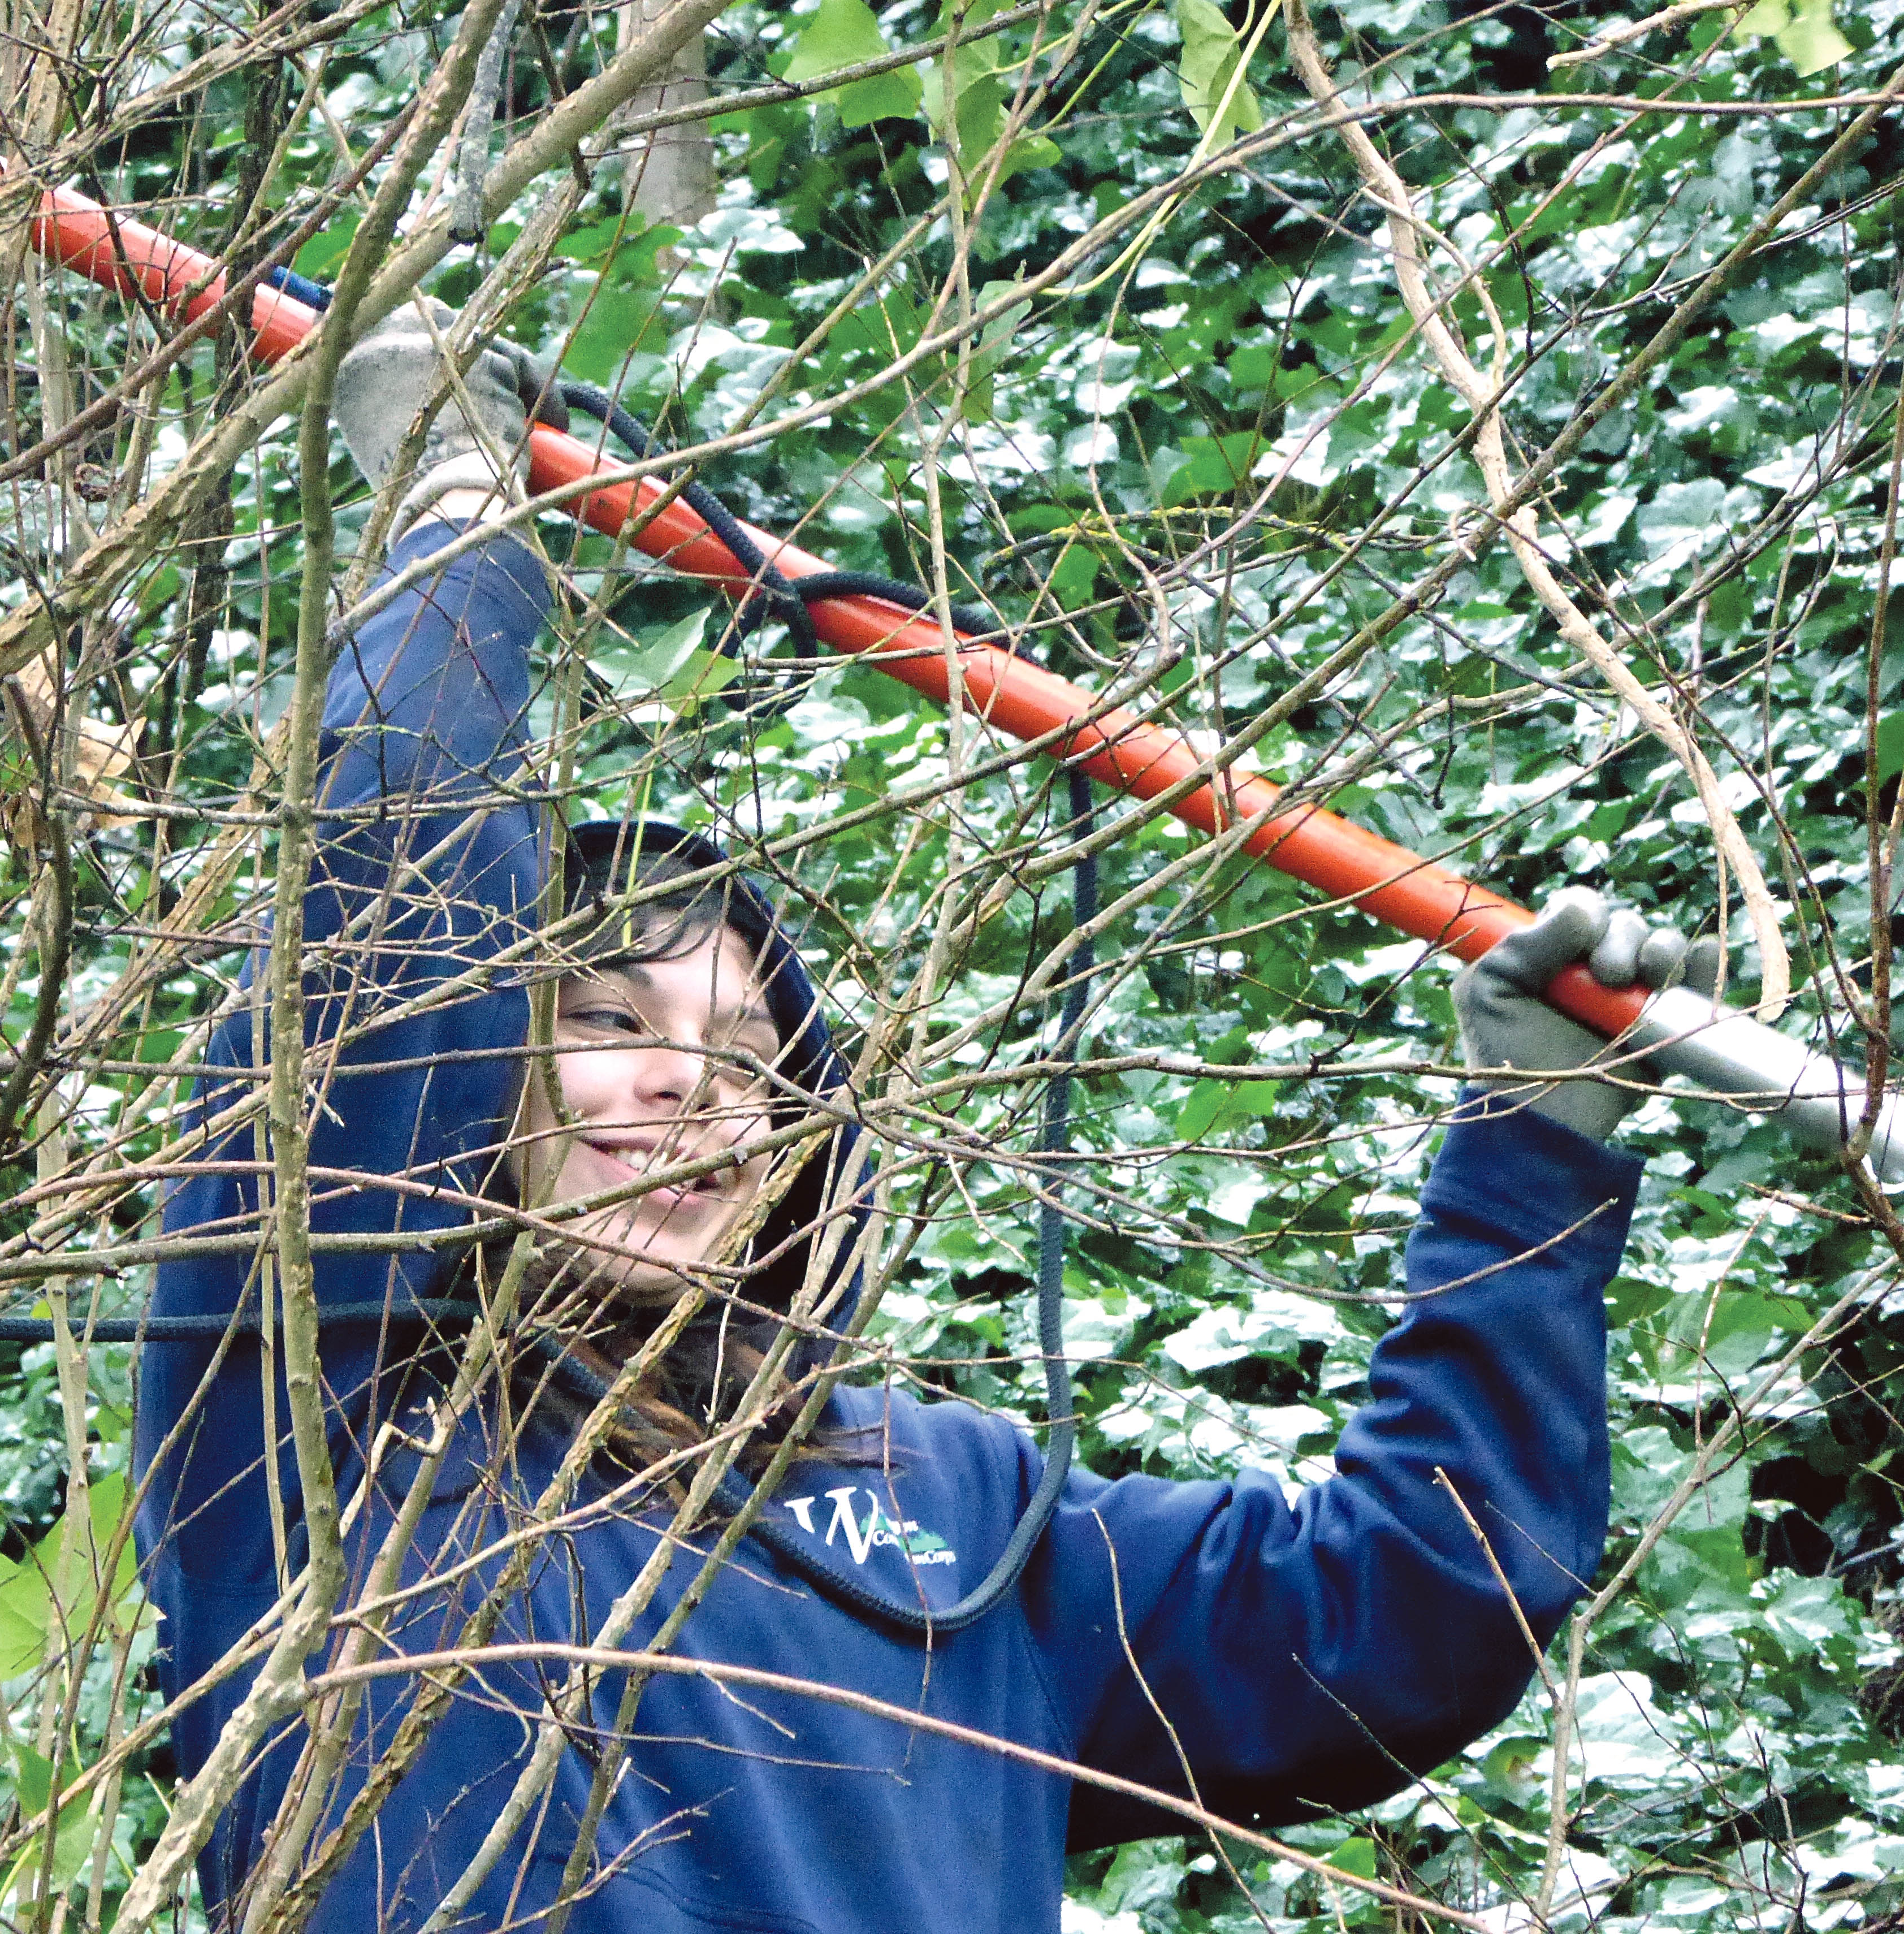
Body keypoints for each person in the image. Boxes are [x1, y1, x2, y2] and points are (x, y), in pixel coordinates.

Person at [131, 300, 1714, 1931]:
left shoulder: (951, 1511)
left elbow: (1394, 1613)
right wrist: (455, 525)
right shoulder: (315, 1411)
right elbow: (379, 934)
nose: (692, 1086)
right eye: (604, 1021)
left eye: (750, 1060)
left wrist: (1536, 1145)